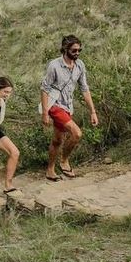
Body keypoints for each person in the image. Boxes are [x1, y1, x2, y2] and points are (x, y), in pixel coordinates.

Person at [40, 34, 98, 182]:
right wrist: (45, 113)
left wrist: (93, 111)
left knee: (57, 140)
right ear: (65, 49)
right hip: (54, 105)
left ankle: (50, 170)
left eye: (79, 50)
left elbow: (84, 89)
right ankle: (64, 161)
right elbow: (45, 89)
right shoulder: (54, 65)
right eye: (74, 50)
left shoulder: (80, 65)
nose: (77, 53)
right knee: (77, 133)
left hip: (67, 106)